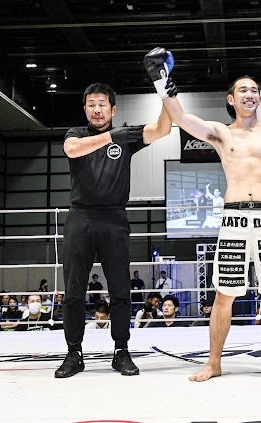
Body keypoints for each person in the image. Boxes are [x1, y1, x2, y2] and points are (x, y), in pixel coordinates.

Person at [143, 47, 261, 381]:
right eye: (243, 90)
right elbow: (182, 119)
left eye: (254, 90)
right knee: (223, 295)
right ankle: (213, 363)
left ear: (260, 99)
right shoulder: (221, 132)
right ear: (231, 99)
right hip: (233, 219)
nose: (250, 94)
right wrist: (162, 85)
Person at [54, 81, 172, 379]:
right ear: (85, 109)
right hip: (80, 217)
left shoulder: (126, 136)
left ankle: (121, 350)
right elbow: (71, 150)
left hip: (114, 218)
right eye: (91, 104)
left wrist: (165, 95)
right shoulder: (76, 133)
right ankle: (73, 352)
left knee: (120, 289)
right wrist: (111, 137)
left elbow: (163, 129)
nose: (97, 110)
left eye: (102, 104)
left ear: (113, 109)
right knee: (74, 291)